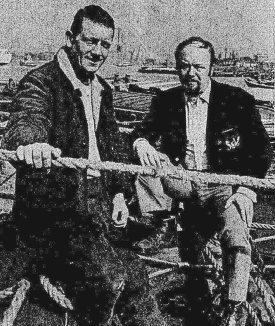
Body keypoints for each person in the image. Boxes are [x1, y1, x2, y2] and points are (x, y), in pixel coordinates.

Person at [0, 5, 166, 326]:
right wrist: (31, 143)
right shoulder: (41, 82)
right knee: (110, 278)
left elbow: (113, 147)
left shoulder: (102, 89)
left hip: (97, 210)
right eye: (90, 42)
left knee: (137, 281)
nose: (97, 52)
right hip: (56, 214)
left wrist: (118, 193)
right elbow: (27, 118)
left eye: (105, 45)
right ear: (71, 39)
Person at [131, 36, 272, 325]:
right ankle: (199, 312)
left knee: (235, 236)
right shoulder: (165, 100)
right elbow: (139, 132)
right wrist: (142, 143)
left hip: (224, 184)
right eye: (183, 67)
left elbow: (261, 150)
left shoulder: (237, 100)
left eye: (198, 66)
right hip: (182, 183)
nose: (190, 73)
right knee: (192, 251)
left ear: (212, 67)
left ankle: (234, 306)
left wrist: (246, 189)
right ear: (176, 68)